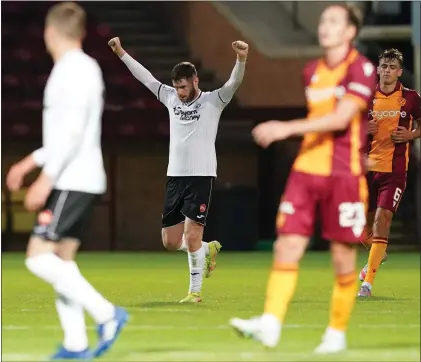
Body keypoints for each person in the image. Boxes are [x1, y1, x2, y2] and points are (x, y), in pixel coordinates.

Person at [229, 4, 377, 354]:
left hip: (343, 175)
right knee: (287, 245)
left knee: (342, 256)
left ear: (350, 32)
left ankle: (336, 334)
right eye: (323, 20)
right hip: (306, 170)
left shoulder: (362, 68)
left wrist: (286, 128)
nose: (324, 26)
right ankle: (270, 324)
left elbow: (341, 119)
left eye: (333, 21)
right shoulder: (311, 71)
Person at [6, 2, 127, 359]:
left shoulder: (71, 71)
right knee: (61, 261)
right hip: (79, 175)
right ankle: (75, 343)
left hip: (72, 178)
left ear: (49, 32)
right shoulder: (81, 68)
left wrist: (46, 178)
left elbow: (72, 133)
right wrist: (30, 161)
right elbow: (66, 134)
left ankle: (107, 314)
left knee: (37, 258)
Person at [108, 37, 248, 303]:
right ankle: (206, 250)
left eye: (183, 87)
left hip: (201, 175)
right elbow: (147, 79)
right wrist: (122, 53)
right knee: (171, 242)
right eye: (177, 87)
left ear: (195, 80)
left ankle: (194, 292)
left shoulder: (213, 101)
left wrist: (241, 60)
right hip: (175, 175)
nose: (180, 92)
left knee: (192, 233)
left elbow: (234, 84)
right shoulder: (170, 97)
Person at [358, 49, 421, 297]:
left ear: (399, 71)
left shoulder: (411, 98)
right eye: (383, 66)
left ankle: (367, 284)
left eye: (391, 67)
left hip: (394, 172)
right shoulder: (364, 97)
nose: (387, 71)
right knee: (359, 228)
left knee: (382, 220)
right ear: (378, 69)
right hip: (366, 169)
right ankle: (378, 254)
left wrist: (412, 134)